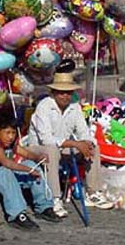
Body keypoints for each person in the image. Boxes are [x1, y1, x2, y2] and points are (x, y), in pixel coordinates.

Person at [28, 72, 114, 218]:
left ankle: (93, 192)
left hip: (63, 146)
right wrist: (75, 143)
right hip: (39, 149)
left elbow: (83, 132)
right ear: (53, 92)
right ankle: (54, 198)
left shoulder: (75, 107)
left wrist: (86, 143)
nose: (65, 96)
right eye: (61, 93)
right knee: (52, 150)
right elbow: (46, 139)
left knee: (93, 147)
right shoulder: (44, 107)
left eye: (68, 93)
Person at [0, 112, 59, 231]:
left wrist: (38, 157)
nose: (11, 137)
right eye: (7, 132)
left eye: (13, 133)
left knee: (31, 164)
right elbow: (7, 163)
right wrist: (29, 170)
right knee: (5, 171)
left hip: (5, 178)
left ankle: (44, 207)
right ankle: (17, 214)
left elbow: (27, 154)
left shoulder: (10, 144)